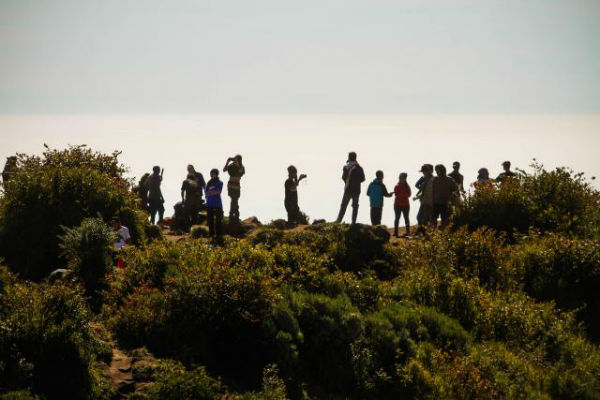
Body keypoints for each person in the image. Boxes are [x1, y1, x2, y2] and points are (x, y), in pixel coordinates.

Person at [336, 152, 365, 224]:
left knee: (343, 206)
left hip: (348, 189)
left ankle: (338, 221)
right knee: (355, 206)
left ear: (349, 158)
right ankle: (353, 222)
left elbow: (343, 177)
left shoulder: (346, 167)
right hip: (357, 190)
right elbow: (363, 179)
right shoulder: (359, 168)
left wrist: (347, 182)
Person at [433, 164, 459, 229]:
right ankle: (433, 232)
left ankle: (443, 231)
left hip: (445, 202)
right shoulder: (435, 179)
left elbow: (456, 188)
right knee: (433, 218)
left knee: (445, 218)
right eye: (436, 170)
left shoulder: (449, 179)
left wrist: (452, 196)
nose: (437, 172)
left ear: (442, 170)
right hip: (435, 202)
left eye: (438, 170)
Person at [223, 155, 245, 223]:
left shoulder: (241, 166)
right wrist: (227, 161)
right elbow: (224, 170)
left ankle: (233, 215)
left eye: (237, 159)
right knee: (234, 200)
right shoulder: (231, 165)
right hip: (231, 185)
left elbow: (241, 171)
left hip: (237, 185)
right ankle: (234, 215)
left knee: (235, 200)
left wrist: (237, 163)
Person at [205, 168, 224, 244]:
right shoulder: (209, 183)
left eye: (212, 173)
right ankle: (211, 235)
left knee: (218, 220)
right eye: (210, 173)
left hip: (217, 204)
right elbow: (206, 193)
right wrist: (212, 192)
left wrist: (211, 192)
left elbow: (218, 191)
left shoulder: (220, 182)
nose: (211, 175)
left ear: (216, 174)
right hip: (209, 203)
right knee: (210, 220)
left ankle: (219, 235)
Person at [415, 164, 435, 234]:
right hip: (424, 201)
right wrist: (418, 196)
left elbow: (430, 192)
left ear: (429, 171)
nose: (423, 173)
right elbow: (422, 190)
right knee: (420, 217)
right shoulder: (425, 180)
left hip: (429, 202)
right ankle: (423, 232)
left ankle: (425, 233)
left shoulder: (433, 180)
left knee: (425, 218)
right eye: (423, 172)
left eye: (424, 172)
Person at [393, 172, 411, 237]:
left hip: (405, 204)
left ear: (405, 178)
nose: (401, 179)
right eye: (400, 177)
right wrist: (403, 195)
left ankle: (408, 232)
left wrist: (402, 195)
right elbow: (396, 194)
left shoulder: (407, 186)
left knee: (406, 218)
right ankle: (395, 232)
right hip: (397, 204)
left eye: (402, 178)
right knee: (397, 218)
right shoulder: (397, 186)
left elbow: (409, 194)